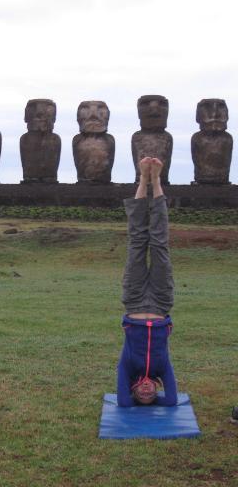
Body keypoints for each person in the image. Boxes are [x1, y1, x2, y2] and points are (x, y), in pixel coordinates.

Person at [117, 157, 178, 407]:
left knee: (137, 243)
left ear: (132, 388)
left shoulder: (127, 366)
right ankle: (157, 181)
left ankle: (143, 179)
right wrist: (159, 399)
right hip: (162, 303)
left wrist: (131, 396)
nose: (145, 390)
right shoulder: (162, 368)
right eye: (149, 395)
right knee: (159, 245)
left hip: (133, 300)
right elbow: (172, 401)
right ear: (157, 389)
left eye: (139, 394)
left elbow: (123, 402)